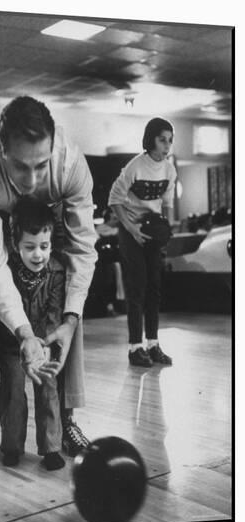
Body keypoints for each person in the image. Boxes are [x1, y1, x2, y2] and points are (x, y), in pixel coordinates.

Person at [0, 96, 98, 461]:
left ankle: (66, 420)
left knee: (68, 313)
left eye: (41, 166)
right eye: (20, 167)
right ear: (2, 150)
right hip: (1, 234)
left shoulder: (71, 164)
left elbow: (82, 249)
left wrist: (69, 319)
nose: (31, 182)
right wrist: (25, 334)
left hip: (46, 229)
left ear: (53, 150)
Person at [0, 197, 67, 470]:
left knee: (48, 387)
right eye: (30, 247)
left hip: (43, 342)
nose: (38, 255)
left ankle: (51, 448)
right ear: (15, 245)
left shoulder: (56, 271)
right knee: (12, 389)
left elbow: (55, 311)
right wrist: (21, 340)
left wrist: (45, 343)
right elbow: (2, 308)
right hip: (13, 343)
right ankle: (12, 446)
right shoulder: (6, 270)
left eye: (44, 247)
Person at [108, 117, 177, 368]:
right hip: (130, 230)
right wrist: (131, 228)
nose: (167, 145)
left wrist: (166, 234)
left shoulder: (169, 170)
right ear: (151, 140)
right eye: (162, 140)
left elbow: (167, 205)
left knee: (155, 288)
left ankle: (153, 344)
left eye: (170, 140)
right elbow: (114, 199)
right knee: (136, 287)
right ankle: (135, 348)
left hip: (152, 230)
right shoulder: (134, 167)